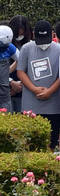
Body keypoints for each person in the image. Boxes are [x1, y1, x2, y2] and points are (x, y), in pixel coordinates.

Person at [17, 20, 60, 148]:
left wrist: (50, 91)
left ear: (52, 34)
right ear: (33, 35)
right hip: (31, 104)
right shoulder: (26, 48)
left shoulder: (58, 49)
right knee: (30, 142)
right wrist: (34, 89)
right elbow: (20, 72)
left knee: (51, 142)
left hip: (53, 105)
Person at [9, 15, 33, 112]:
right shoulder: (4, 47)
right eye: (17, 35)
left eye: (22, 34)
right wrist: (11, 82)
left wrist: (21, 84)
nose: (19, 37)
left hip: (25, 90)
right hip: (7, 91)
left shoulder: (30, 46)